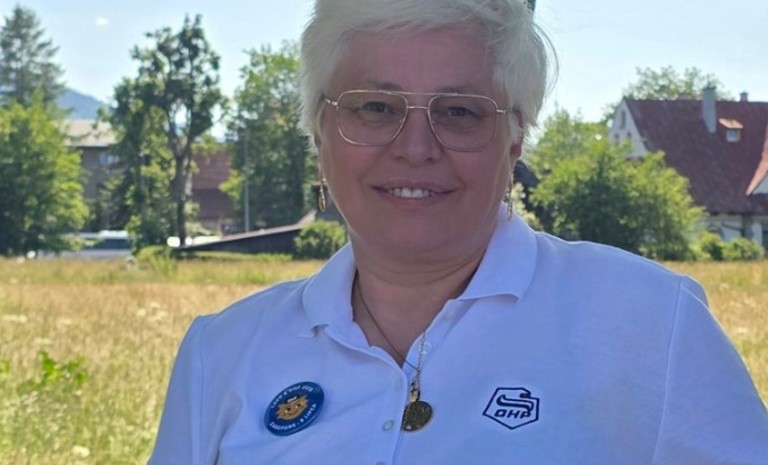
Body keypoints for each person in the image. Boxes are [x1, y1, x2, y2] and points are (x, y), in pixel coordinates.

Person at [148, 0, 768, 463]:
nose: (415, 148)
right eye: (375, 107)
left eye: (459, 112)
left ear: (515, 138)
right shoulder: (221, 353)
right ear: (318, 131)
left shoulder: (651, 324)